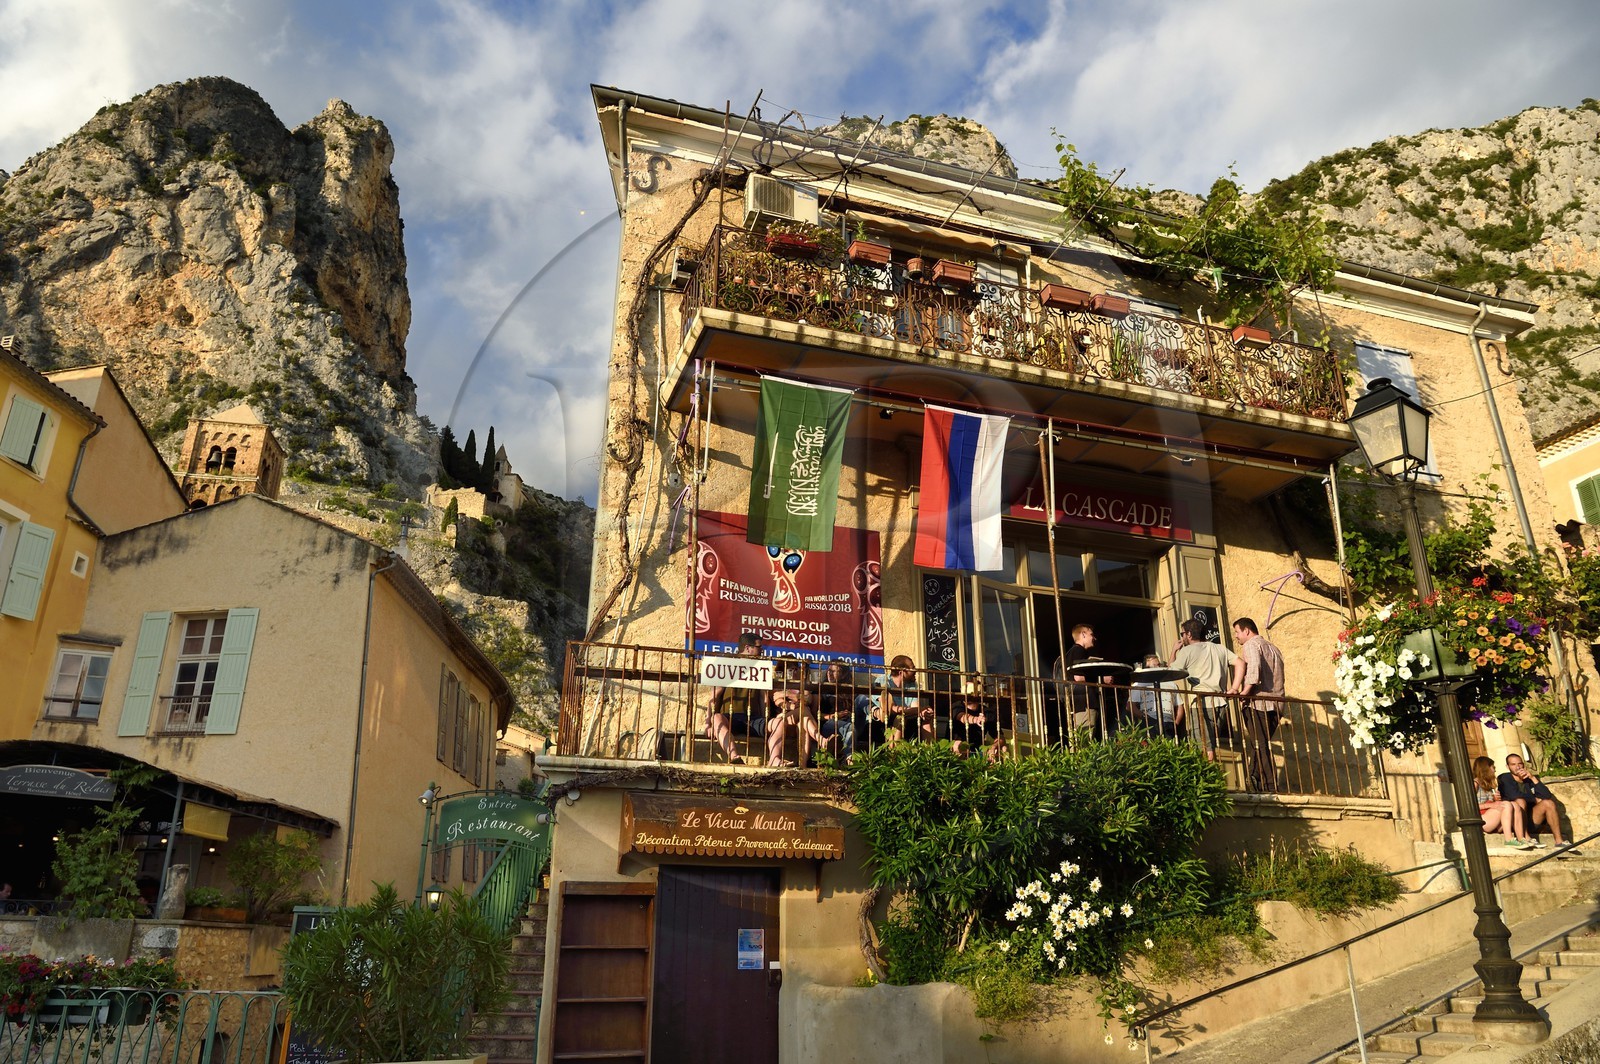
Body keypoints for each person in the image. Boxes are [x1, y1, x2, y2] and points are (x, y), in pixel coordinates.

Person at [1228, 617, 1285, 793]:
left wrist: (1244, 692)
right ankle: (1254, 775)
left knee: (1260, 745)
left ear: (1246, 631)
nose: (1236, 636)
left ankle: (1269, 787)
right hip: (1276, 705)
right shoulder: (1274, 648)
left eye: (1237, 632)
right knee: (1259, 744)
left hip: (1258, 704)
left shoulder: (1251, 645)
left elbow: (1254, 668)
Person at [1171, 619, 1238, 756]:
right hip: (1220, 702)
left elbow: (1170, 673)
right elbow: (1241, 663)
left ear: (1189, 634)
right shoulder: (1219, 648)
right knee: (1210, 744)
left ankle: (1208, 776)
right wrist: (1235, 688)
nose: (1181, 637)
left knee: (1203, 746)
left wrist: (1174, 651)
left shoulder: (1188, 650)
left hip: (1201, 703)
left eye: (1182, 633)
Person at [705, 632, 766, 764]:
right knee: (717, 718)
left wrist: (765, 719)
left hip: (753, 719)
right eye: (759, 648)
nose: (761, 651)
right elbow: (714, 695)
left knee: (777, 724)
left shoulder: (760, 667)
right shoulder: (730, 664)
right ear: (748, 648)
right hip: (730, 717)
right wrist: (708, 723)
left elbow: (763, 698)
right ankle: (734, 757)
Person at [1499, 753, 1570, 848]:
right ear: (1508, 767)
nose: (1518, 767)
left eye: (1520, 764)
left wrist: (1532, 778)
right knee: (1520, 801)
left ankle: (1559, 841)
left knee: (1548, 803)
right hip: (1515, 820)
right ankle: (1524, 838)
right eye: (1513, 764)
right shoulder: (1505, 778)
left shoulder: (1529, 779)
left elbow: (1546, 795)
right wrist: (1533, 798)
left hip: (1531, 818)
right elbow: (1513, 796)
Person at [1054, 624, 1110, 740]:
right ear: (1083, 634)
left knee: (1081, 737)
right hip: (1084, 702)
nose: (1094, 638)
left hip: (1079, 702)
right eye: (1091, 634)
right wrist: (1101, 679)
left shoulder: (1071, 652)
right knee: (1085, 739)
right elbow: (1078, 678)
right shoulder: (1078, 650)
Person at [861, 655, 929, 741]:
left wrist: (923, 712)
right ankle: (894, 753)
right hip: (881, 722)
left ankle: (930, 752)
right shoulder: (882, 681)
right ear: (901, 672)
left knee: (926, 719)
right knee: (900, 719)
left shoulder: (912, 685)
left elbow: (915, 707)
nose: (915, 670)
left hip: (905, 719)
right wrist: (920, 709)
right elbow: (890, 709)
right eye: (912, 668)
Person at [1475, 755, 1532, 849]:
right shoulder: (1475, 783)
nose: (1495, 770)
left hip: (1493, 819)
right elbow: (1469, 807)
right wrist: (1491, 804)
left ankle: (1521, 838)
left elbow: (1493, 804)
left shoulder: (1489, 784)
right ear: (1486, 768)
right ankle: (1509, 839)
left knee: (1514, 804)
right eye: (1493, 767)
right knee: (1506, 804)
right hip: (1483, 821)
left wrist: (1495, 800)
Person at [1130, 654, 1183, 738]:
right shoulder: (1139, 684)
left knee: (1169, 747)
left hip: (1168, 721)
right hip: (1149, 721)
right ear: (1146, 667)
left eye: (1158, 664)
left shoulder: (1171, 683)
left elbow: (1179, 705)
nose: (1158, 667)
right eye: (1154, 665)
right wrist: (1145, 718)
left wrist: (1176, 723)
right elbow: (1130, 706)